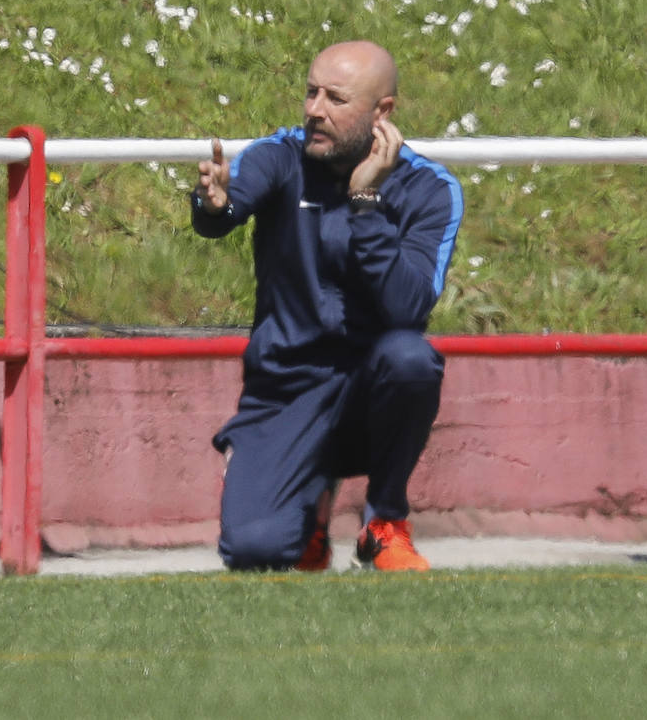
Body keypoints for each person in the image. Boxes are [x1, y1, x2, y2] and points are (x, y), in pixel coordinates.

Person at [191, 40, 463, 571]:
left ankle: (385, 523)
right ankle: (306, 517)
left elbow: (408, 308)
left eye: (335, 98)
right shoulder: (279, 156)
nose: (315, 109)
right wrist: (213, 204)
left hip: (369, 389)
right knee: (256, 553)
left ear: (382, 113)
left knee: (411, 358)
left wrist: (366, 206)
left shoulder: (431, 188)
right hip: (286, 391)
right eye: (310, 93)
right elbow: (225, 207)